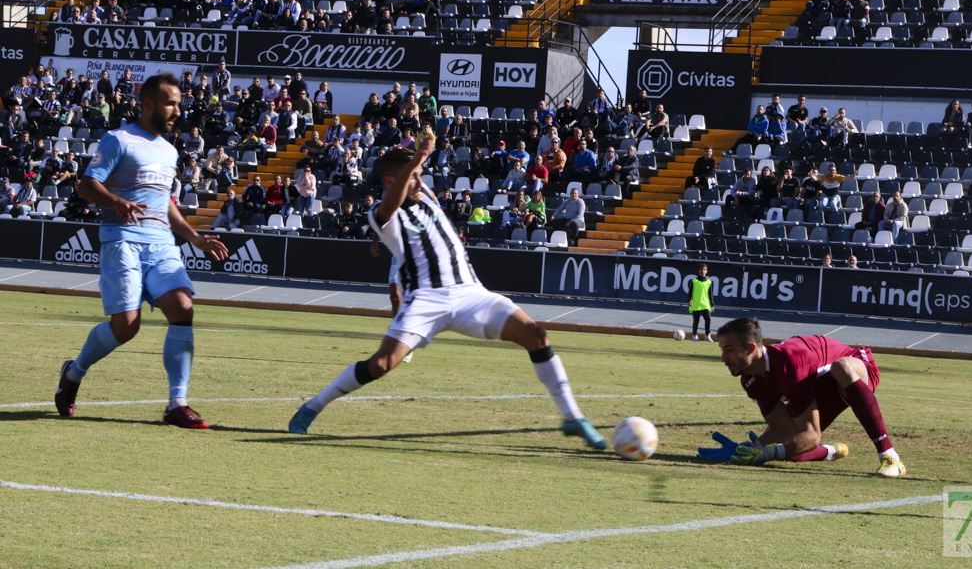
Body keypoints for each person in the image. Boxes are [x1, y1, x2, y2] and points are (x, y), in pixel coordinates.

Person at [287, 141, 607, 449]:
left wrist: (422, 153)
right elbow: (388, 207)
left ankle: (572, 417)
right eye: (411, 175)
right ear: (389, 180)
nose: (418, 178)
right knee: (382, 364)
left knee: (536, 335)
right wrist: (413, 163)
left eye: (418, 173)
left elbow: (420, 164)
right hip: (425, 300)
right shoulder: (384, 215)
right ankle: (313, 406)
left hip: (470, 294)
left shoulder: (424, 193)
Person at [54, 73, 229, 429]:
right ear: (148, 104)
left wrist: (194, 237)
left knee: (182, 308)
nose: (178, 110)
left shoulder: (169, 150)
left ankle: (176, 404)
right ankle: (74, 372)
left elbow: (165, 202)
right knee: (126, 327)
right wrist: (116, 200)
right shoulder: (118, 140)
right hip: (122, 241)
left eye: (179, 103)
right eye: (171, 103)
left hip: (163, 243)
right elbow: (87, 185)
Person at [696, 318, 905, 477]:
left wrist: (768, 454)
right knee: (792, 446)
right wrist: (747, 450)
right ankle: (831, 451)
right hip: (818, 387)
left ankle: (890, 456)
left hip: (856, 366)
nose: (723, 358)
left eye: (729, 350)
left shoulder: (789, 364)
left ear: (751, 348)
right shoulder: (750, 380)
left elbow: (812, 434)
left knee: (842, 367)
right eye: (722, 350)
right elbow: (783, 428)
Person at [688, 264, 713, 343]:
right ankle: (694, 335)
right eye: (701, 269)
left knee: (708, 319)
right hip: (696, 303)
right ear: (699, 271)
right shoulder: (694, 281)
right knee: (696, 320)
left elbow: (710, 294)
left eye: (704, 269)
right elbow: (690, 292)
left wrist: (712, 304)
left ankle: (707, 335)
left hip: (705, 303)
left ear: (706, 271)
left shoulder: (709, 282)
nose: (703, 271)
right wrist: (690, 299)